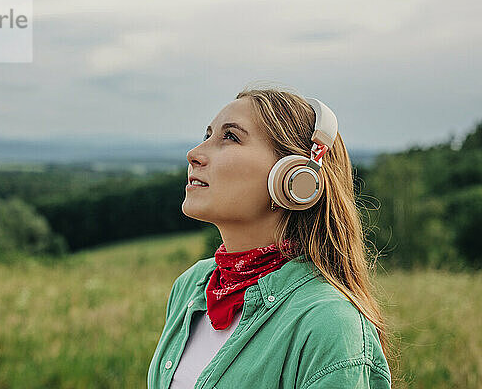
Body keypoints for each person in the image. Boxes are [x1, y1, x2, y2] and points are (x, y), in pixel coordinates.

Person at [147, 86, 392, 388]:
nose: (194, 154)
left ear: (296, 177)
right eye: (207, 135)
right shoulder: (191, 287)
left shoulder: (329, 323)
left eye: (230, 137)